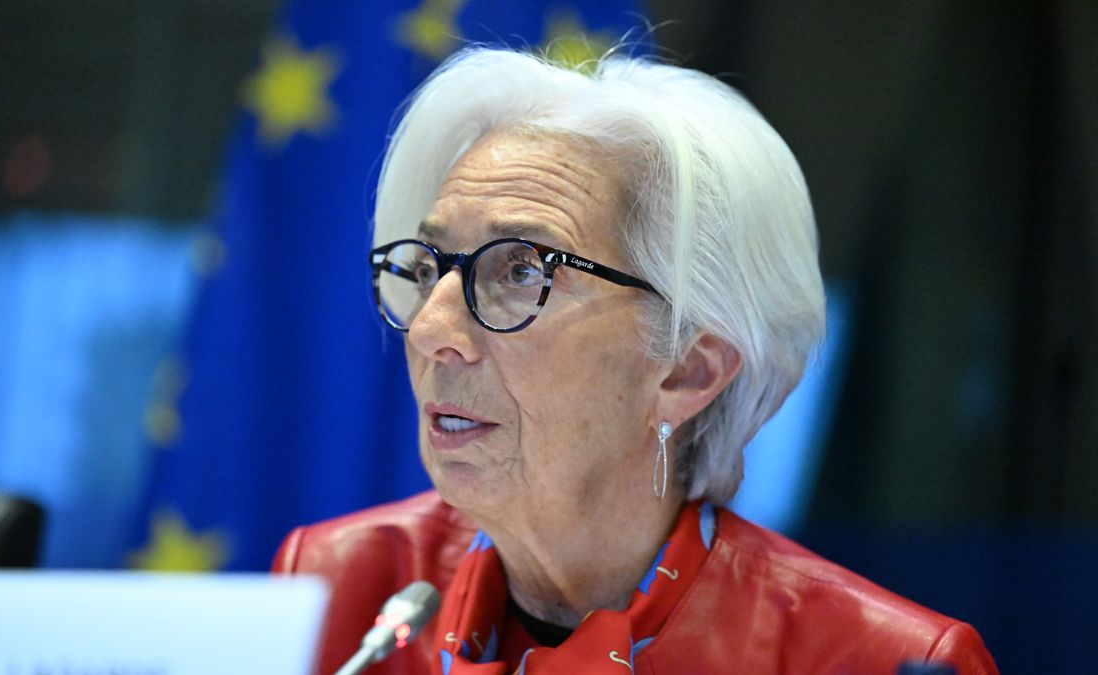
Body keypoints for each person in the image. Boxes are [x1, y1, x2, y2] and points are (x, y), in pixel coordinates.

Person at [273, 47, 998, 674]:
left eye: (522, 269)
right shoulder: (342, 590)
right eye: (430, 267)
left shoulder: (875, 660)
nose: (432, 327)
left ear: (689, 368)